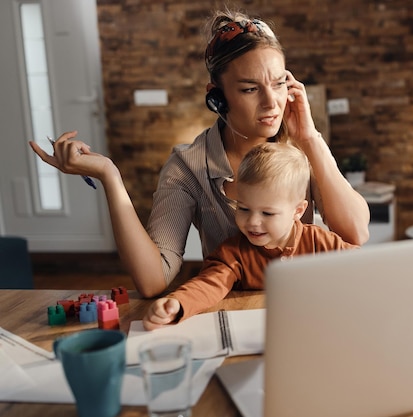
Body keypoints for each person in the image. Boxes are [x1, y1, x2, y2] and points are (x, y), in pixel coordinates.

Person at [29, 9, 370, 298]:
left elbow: (356, 234)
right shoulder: (188, 166)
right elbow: (153, 280)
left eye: (279, 84)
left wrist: (310, 137)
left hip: (306, 307)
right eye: (251, 89)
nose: (272, 103)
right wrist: (110, 176)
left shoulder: (302, 150)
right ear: (217, 97)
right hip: (232, 315)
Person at [143, 142, 358, 329]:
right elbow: (208, 284)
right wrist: (178, 303)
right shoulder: (233, 254)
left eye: (267, 213)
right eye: (244, 209)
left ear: (298, 211)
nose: (253, 222)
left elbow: (361, 266)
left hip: (312, 329)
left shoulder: (319, 242)